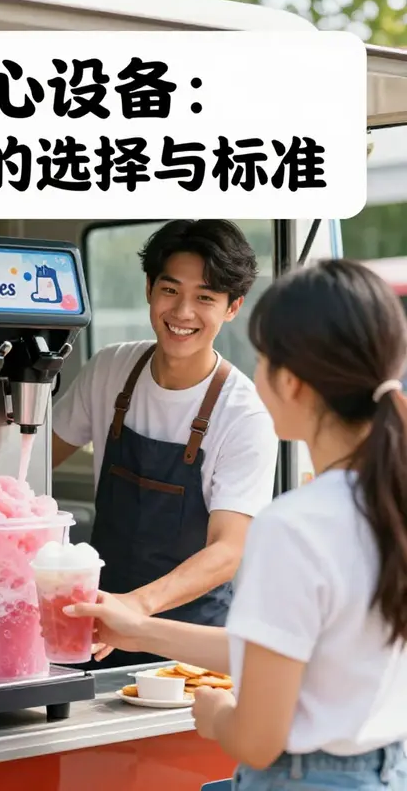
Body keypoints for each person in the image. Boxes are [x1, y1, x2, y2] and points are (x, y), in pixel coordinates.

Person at [65, 259, 407, 789]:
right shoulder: (388, 502)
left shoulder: (295, 526)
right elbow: (284, 653)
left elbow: (256, 740)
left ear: (290, 382)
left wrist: (218, 712)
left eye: (264, 357)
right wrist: (135, 624)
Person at [52, 219, 279, 668]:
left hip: (188, 647)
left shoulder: (244, 415)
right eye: (171, 290)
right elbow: (32, 462)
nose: (183, 313)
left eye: (205, 298)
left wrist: (136, 608)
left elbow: (229, 549)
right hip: (98, 626)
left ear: (232, 308)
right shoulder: (110, 370)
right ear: (150, 288)